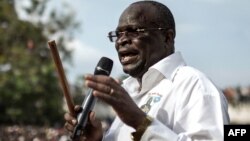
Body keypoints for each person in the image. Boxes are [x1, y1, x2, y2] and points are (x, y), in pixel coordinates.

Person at [64, 1, 230, 141]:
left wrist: (139, 121)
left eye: (134, 31)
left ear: (167, 37)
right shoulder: (130, 90)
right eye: (118, 34)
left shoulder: (195, 86)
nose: (121, 40)